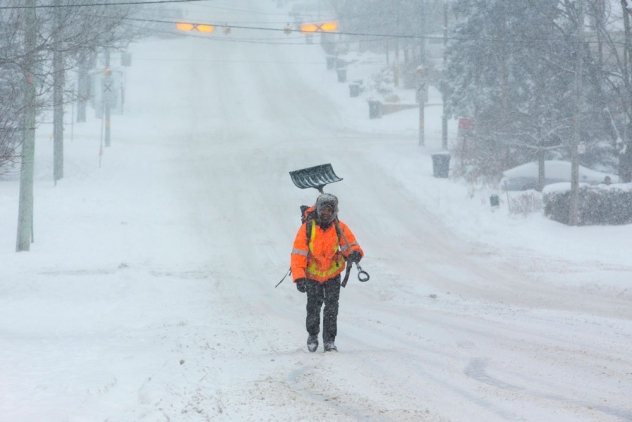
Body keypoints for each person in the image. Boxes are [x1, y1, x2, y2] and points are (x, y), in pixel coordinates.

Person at [290, 193, 364, 352]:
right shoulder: (308, 227)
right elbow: (298, 253)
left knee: (331, 309)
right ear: (318, 209)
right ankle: (313, 335)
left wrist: (355, 253)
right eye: (324, 209)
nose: (326, 213)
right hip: (312, 276)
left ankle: (329, 341)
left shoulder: (339, 227)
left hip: (332, 275)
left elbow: (349, 245)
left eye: (330, 210)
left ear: (334, 211)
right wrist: (299, 277)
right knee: (313, 308)